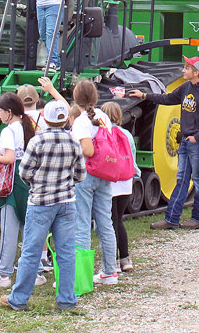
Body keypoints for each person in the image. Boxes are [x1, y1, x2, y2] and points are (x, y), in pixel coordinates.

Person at [0, 100, 85, 313]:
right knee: (65, 252)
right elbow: (81, 174)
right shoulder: (74, 141)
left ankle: (19, 299)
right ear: (65, 119)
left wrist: (37, 183)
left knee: (31, 251)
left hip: (40, 202)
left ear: (44, 119)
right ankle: (66, 299)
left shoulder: (37, 141)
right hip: (66, 202)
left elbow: (24, 172)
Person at [129, 56, 199, 229]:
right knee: (181, 180)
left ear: (196, 72)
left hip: (198, 143)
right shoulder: (187, 87)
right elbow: (168, 99)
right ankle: (171, 219)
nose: (183, 70)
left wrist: (197, 137)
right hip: (186, 142)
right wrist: (144, 95)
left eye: (187, 68)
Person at [69, 80, 120, 285]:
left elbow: (88, 151)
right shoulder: (103, 116)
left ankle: (81, 276)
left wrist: (72, 149)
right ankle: (109, 271)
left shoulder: (81, 121)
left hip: (86, 175)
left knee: (81, 224)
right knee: (105, 223)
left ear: (76, 98)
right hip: (105, 173)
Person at [0, 92, 38, 289]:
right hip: (27, 180)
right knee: (28, 227)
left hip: (12, 180)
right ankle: (35, 271)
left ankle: (4, 273)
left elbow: (9, 158)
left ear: (9, 112)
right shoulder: (27, 127)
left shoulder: (8, 131)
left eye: (0, 111)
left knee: (9, 229)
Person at [102, 101, 140, 272]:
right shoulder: (127, 135)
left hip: (109, 181)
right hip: (125, 181)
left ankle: (113, 260)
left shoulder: (102, 133)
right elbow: (133, 157)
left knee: (110, 222)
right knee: (119, 220)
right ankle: (125, 258)